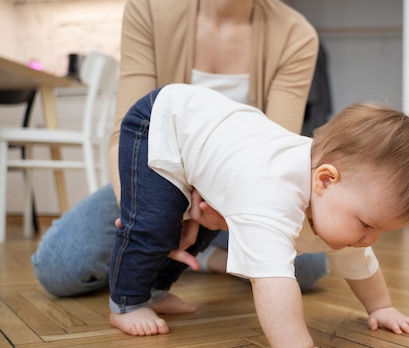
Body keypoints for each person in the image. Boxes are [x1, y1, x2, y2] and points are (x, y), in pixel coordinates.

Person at [109, 84, 409, 348]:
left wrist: (381, 307)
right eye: (367, 224)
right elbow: (271, 280)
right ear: (324, 181)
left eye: (381, 230)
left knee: (204, 226)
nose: (370, 239)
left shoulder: (338, 199)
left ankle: (155, 290)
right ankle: (126, 303)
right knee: (154, 225)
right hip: (162, 122)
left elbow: (360, 262)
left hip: (215, 141)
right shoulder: (272, 194)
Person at [31, 0, 328, 296]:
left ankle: (201, 254)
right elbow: (124, 132)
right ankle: (198, 254)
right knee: (60, 265)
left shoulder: (295, 34)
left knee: (307, 267)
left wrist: (209, 213)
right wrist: (146, 221)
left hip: (238, 197)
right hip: (152, 178)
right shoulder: (148, 9)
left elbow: (272, 160)